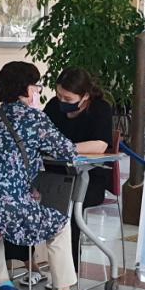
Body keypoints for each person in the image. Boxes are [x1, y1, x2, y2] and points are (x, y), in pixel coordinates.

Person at [0, 61, 92, 290]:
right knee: (59, 223)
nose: (38, 91)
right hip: (12, 208)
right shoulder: (34, 118)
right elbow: (66, 150)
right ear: (28, 89)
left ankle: (4, 284)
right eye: (36, 86)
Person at [44, 67, 113, 272]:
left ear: (85, 96)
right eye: (59, 95)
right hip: (55, 175)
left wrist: (65, 148)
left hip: (88, 178)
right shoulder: (53, 106)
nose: (61, 101)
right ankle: (29, 264)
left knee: (68, 206)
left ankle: (68, 271)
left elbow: (100, 145)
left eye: (68, 98)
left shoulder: (100, 109)